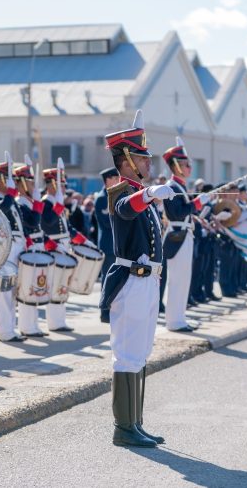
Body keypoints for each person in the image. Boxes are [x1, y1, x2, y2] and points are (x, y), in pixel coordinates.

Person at [99, 110, 174, 447]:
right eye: (143, 158)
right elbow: (126, 209)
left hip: (146, 281)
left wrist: (149, 194)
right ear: (128, 160)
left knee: (141, 352)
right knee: (127, 354)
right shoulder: (120, 192)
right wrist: (149, 194)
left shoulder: (140, 192)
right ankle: (123, 427)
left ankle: (136, 423)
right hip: (130, 281)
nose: (149, 163)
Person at [161, 137, 209, 332]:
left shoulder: (179, 186)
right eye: (186, 164)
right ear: (176, 166)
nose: (190, 168)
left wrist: (196, 208)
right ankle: (174, 321)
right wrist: (197, 203)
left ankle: (179, 318)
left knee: (183, 279)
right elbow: (176, 213)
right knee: (177, 279)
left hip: (183, 234)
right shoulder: (172, 187)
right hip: (177, 234)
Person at [41, 162, 90, 332]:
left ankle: (59, 320)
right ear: (51, 185)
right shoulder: (46, 203)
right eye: (61, 185)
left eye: (64, 185)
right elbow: (47, 223)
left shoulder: (57, 202)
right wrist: (58, 206)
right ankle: (54, 322)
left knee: (62, 284)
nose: (64, 188)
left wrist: (82, 240)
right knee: (55, 284)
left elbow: (65, 226)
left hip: (62, 244)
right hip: (53, 247)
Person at [0, 154, 26, 342]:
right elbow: (0, 213)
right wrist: (10, 196)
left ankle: (11, 328)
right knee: (3, 291)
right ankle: (4, 331)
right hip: (6, 249)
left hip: (17, 246)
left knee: (12, 292)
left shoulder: (11, 200)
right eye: (9, 179)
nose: (14, 184)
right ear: (0, 180)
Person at [13, 155, 49, 336]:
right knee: (28, 288)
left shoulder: (28, 201)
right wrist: (38, 203)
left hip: (37, 246)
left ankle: (33, 325)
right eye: (29, 182)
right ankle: (27, 326)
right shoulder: (21, 203)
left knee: (36, 287)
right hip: (29, 247)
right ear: (20, 183)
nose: (33, 186)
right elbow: (33, 222)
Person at [94, 167, 120, 280]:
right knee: (108, 277)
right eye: (115, 178)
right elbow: (107, 223)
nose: (118, 181)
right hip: (108, 244)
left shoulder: (115, 195)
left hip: (117, 244)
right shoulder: (102, 198)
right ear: (108, 180)